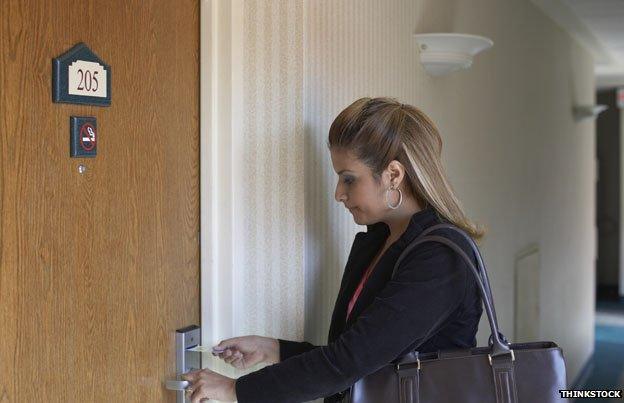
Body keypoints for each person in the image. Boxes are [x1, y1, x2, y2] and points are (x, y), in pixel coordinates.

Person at [181, 97, 485, 403]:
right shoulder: (381, 240)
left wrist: (236, 390)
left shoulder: (441, 256)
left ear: (393, 175)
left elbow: (350, 360)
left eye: (348, 179)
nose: (339, 193)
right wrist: (273, 350)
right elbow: (364, 358)